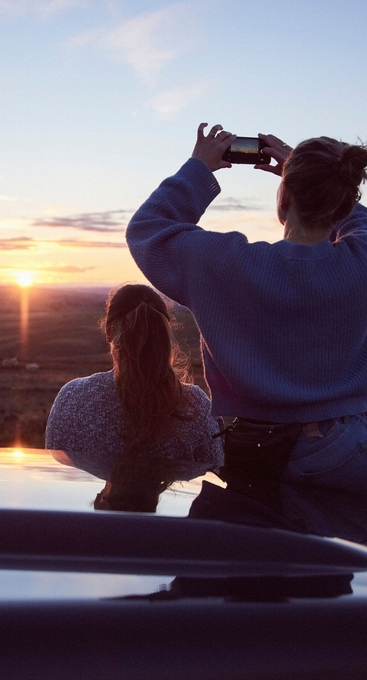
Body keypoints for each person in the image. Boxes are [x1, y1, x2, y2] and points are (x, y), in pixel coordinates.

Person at [126, 123, 367, 493]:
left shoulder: (224, 262)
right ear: (345, 201)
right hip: (344, 447)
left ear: (284, 199)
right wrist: (306, 174)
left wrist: (199, 167)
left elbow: (147, 229)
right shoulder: (359, 262)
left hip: (252, 447)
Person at [45, 284, 224, 482]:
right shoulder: (196, 406)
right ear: (164, 333)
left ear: (109, 332)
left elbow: (57, 473)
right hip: (174, 513)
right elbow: (214, 480)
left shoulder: (72, 398)